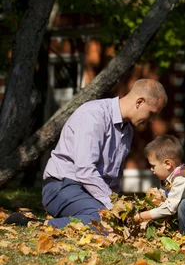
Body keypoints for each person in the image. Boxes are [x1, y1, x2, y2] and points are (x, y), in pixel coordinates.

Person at [5, 79, 167, 229]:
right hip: (63, 186)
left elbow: (113, 178)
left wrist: (120, 206)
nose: (152, 120)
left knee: (120, 221)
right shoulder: (94, 115)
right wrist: (112, 205)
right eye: (152, 113)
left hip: (91, 192)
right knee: (104, 220)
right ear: (140, 102)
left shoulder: (127, 130)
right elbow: (85, 170)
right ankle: (36, 224)